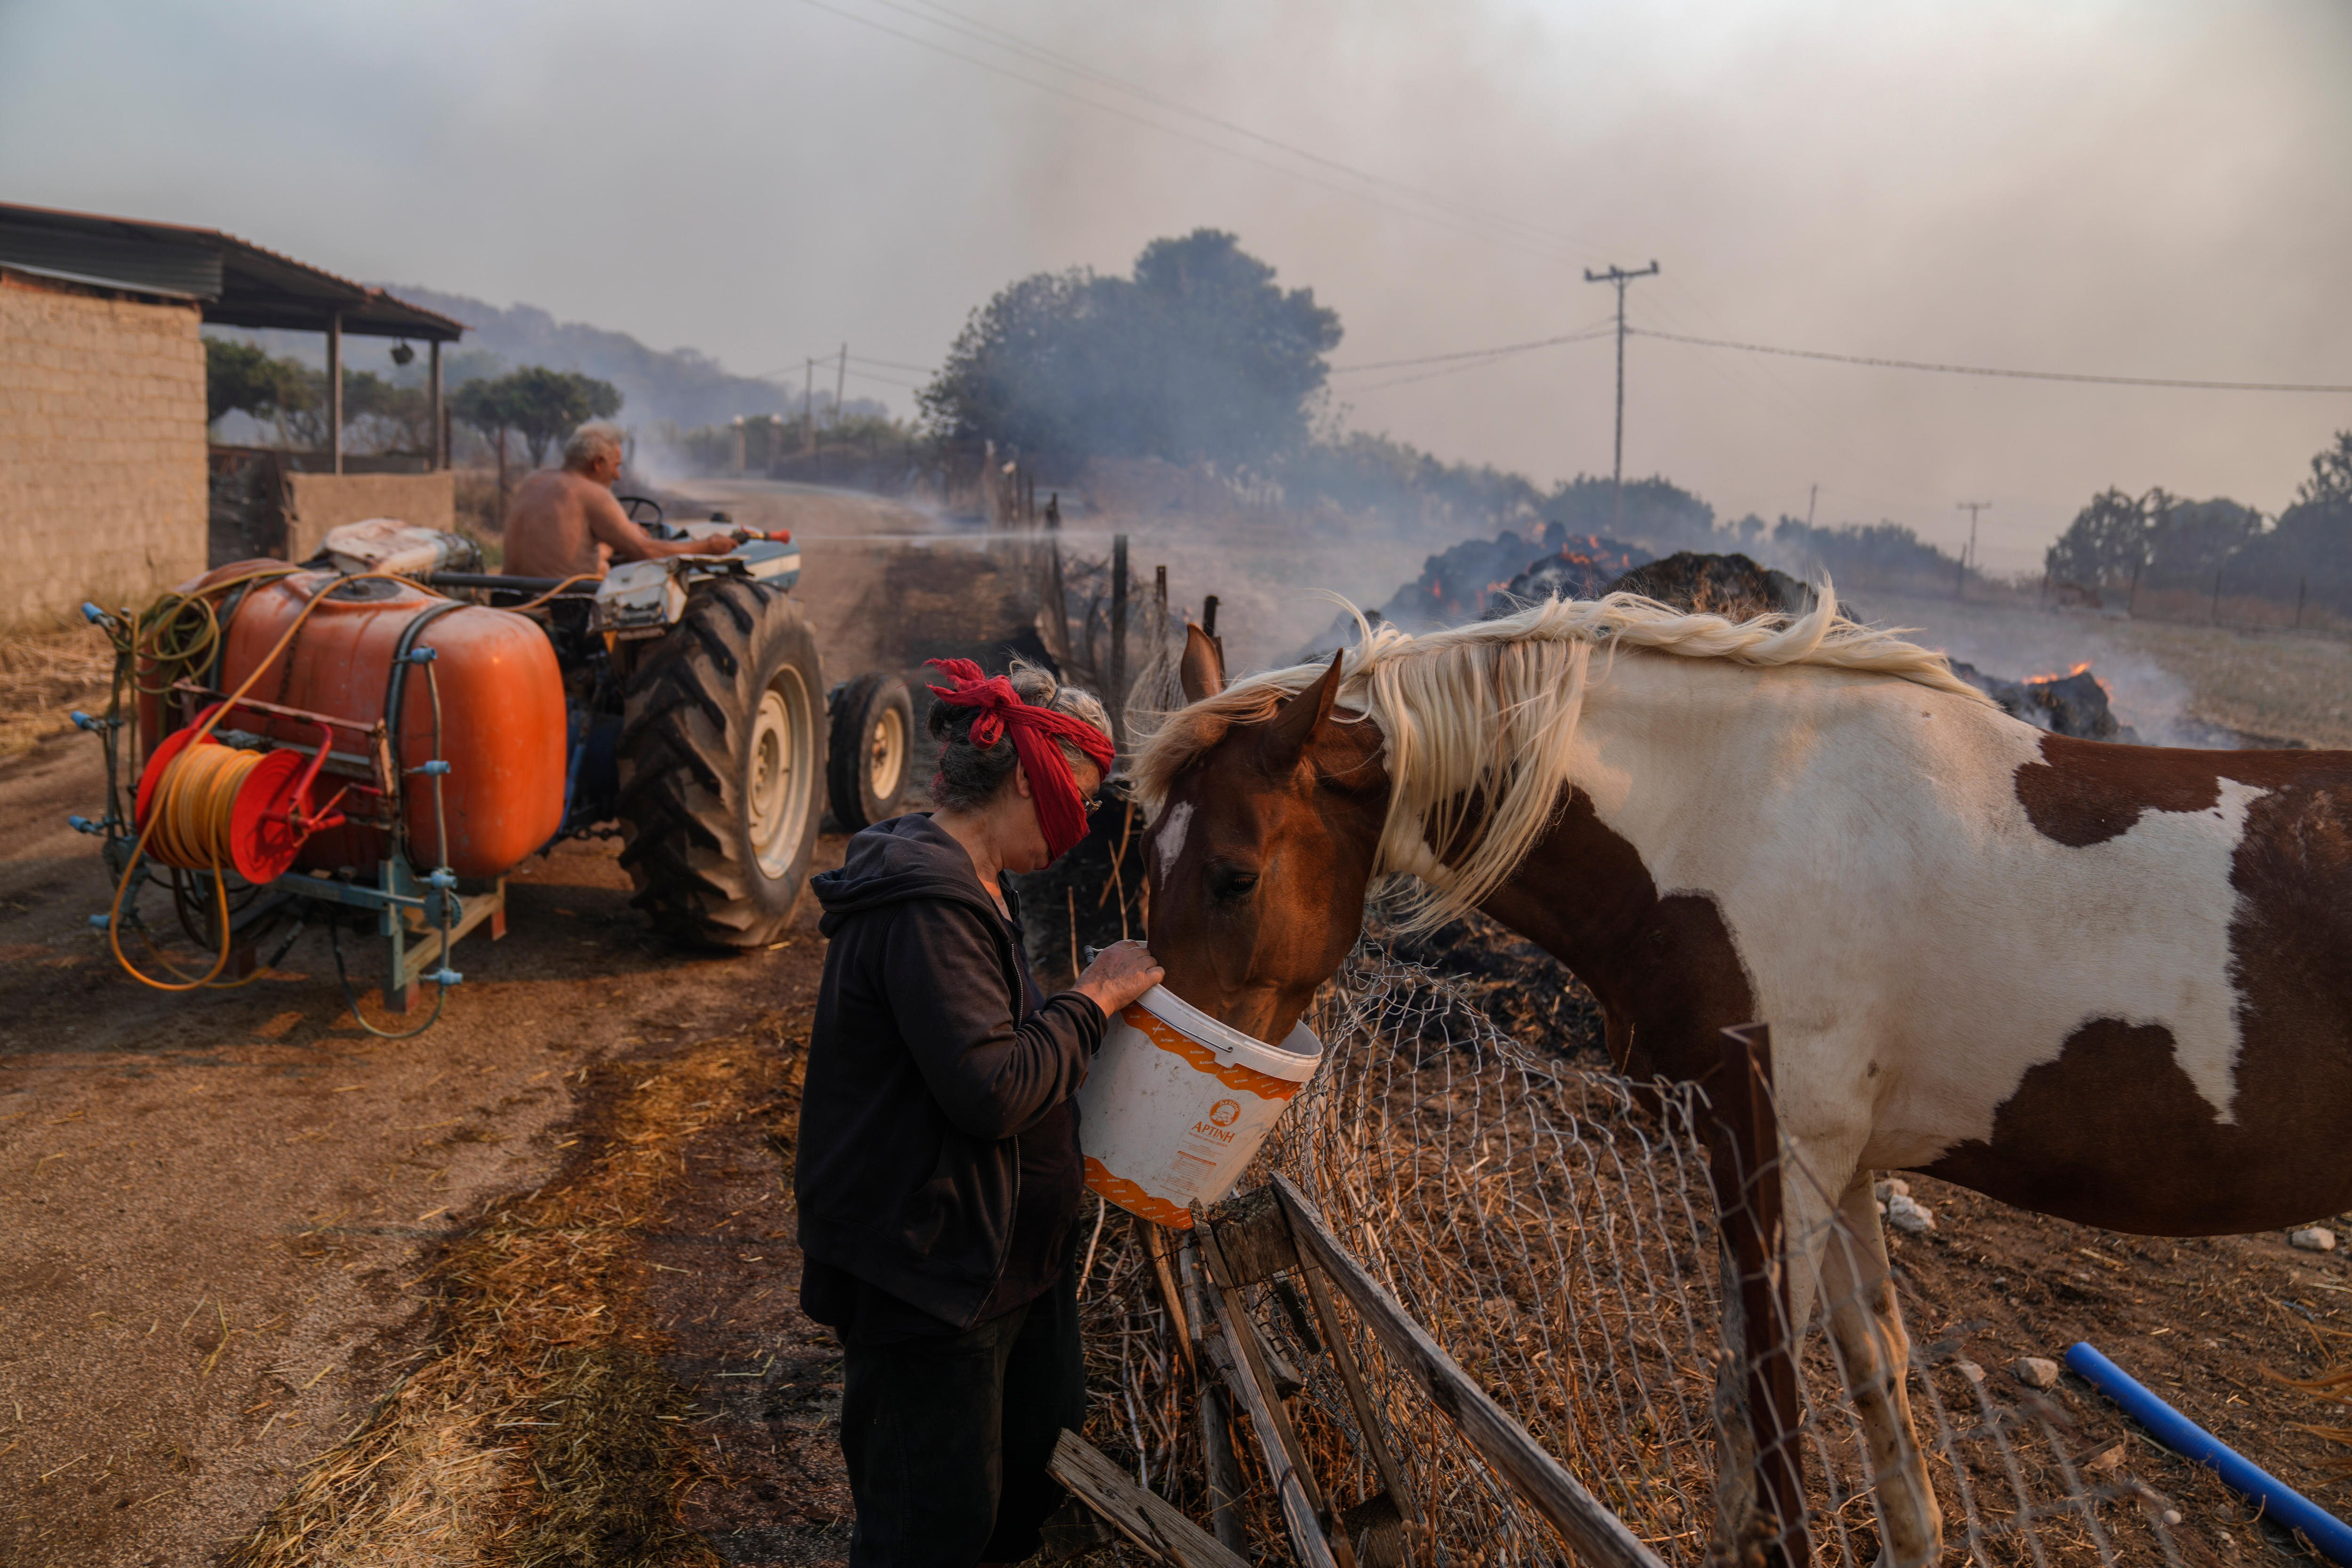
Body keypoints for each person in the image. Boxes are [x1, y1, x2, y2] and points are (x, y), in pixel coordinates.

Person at [794, 657, 1163, 1567]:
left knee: (1025, 1484)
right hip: (934, 1275)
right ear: (1023, 781)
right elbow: (993, 1086)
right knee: (931, 1528)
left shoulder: (978, 884)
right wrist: (1095, 998)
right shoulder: (931, 903)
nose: (1078, 829)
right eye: (1070, 800)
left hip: (1002, 1262)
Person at [498, 422, 735, 579]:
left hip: (512, 597)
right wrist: (708, 547)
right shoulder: (593, 493)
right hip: (564, 608)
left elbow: (562, 546)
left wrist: (613, 541)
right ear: (598, 463)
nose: (618, 475)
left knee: (602, 564)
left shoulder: (534, 479)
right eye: (616, 466)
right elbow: (647, 552)